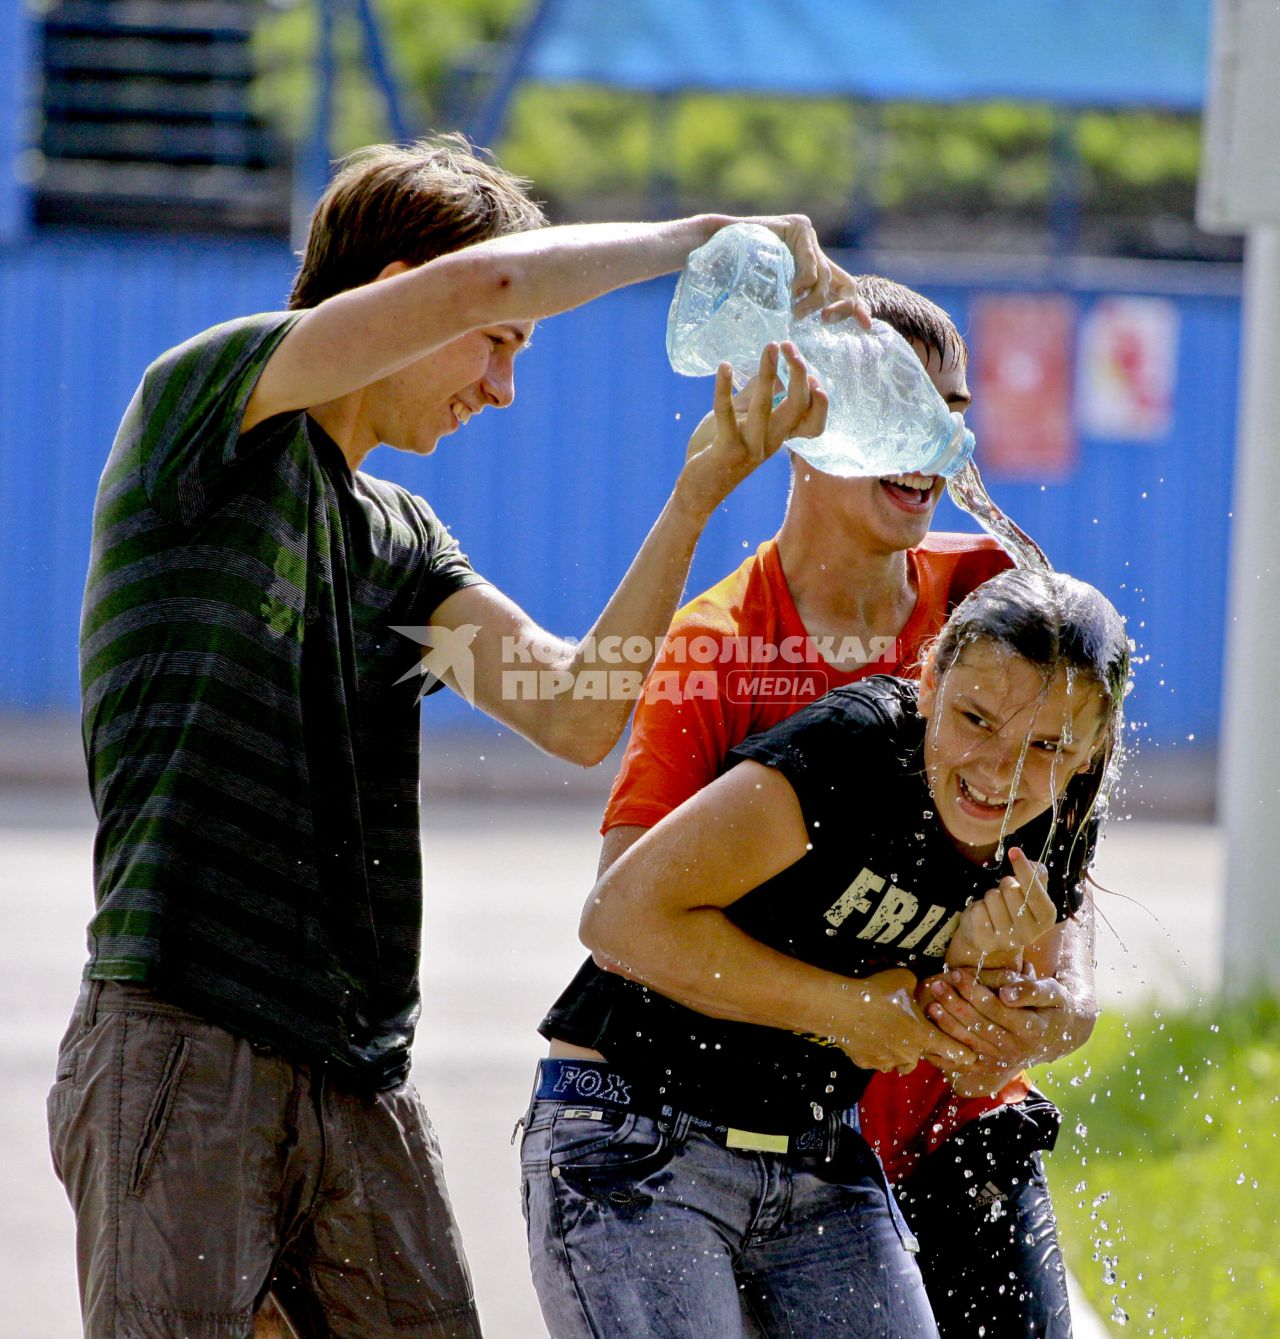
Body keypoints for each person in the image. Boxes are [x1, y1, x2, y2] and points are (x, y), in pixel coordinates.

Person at [47, 134, 852, 1339]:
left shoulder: (401, 550)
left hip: (354, 1069)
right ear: (392, 296)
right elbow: (488, 279)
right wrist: (707, 240)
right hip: (183, 1037)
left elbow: (578, 714)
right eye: (500, 345)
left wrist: (696, 496)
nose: (502, 386)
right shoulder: (205, 419)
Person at [530, 277, 1099, 1338]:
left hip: (939, 1125)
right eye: (896, 398)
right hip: (743, 1123)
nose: (930, 433)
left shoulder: (994, 594)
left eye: (952, 410)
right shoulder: (719, 646)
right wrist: (847, 1012)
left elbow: (1061, 898)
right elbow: (627, 924)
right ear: (801, 418)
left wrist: (1054, 1011)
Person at [521, 567, 1129, 1339]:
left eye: (1047, 745)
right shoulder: (853, 752)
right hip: (635, 1124)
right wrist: (845, 1008)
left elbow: (1009, 1039)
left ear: (1092, 748)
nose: (1000, 773)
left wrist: (1000, 1007)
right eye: (975, 719)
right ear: (931, 678)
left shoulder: (1063, 808)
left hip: (816, 1151)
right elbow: (617, 920)